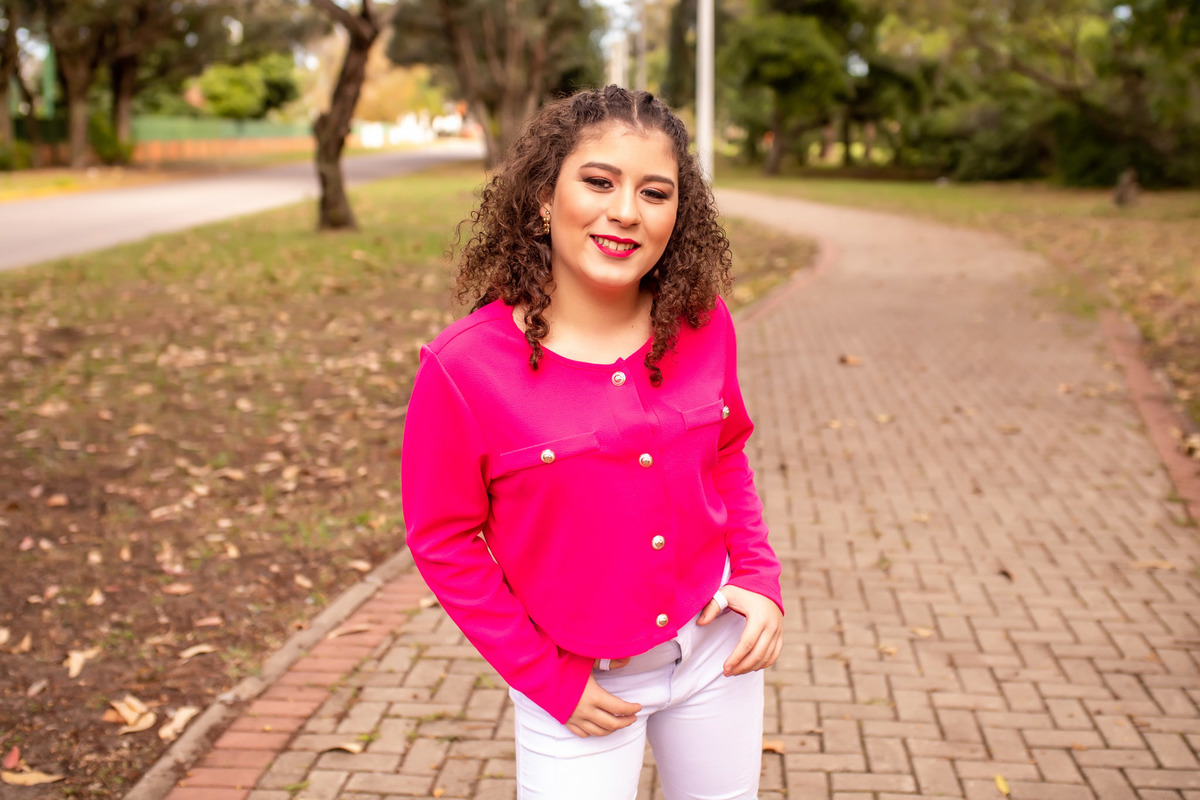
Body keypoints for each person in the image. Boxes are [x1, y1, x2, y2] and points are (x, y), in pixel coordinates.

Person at [400, 85, 783, 799]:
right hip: (578, 687)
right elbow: (442, 539)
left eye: (655, 192)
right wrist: (544, 679)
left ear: (679, 214)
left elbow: (727, 454)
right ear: (543, 198)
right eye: (599, 181)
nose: (627, 212)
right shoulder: (464, 368)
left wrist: (759, 579)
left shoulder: (703, 323)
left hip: (717, 653)